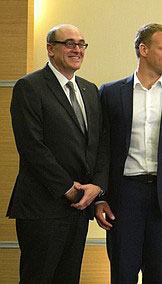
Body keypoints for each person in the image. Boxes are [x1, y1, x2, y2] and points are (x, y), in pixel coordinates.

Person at [95, 23, 162, 284]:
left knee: (160, 275)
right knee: (123, 273)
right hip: (124, 196)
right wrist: (100, 197)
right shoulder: (111, 92)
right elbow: (102, 149)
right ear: (143, 50)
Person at [7, 24, 106, 284]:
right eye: (69, 43)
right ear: (50, 49)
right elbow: (32, 147)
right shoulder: (30, 87)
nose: (77, 49)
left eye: (81, 44)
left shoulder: (90, 90)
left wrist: (97, 187)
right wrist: (67, 189)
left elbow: (99, 145)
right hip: (42, 208)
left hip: (79, 209)